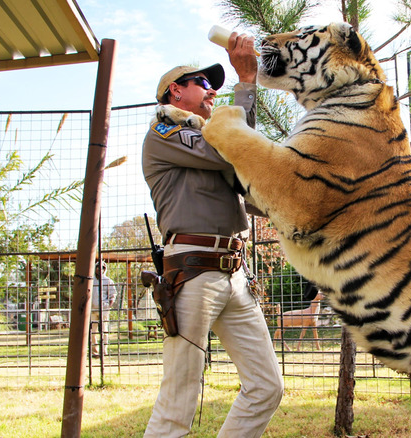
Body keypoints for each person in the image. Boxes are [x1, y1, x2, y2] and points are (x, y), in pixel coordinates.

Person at [141, 31, 283, 437]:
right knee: (178, 400)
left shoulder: (210, 140)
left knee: (267, 387)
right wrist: (245, 85)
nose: (212, 93)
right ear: (175, 91)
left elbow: (248, 159)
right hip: (192, 271)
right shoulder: (165, 133)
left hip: (235, 273)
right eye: (203, 83)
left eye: (216, 87)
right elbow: (232, 149)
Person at [91, 261, 117, 357]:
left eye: (102, 267)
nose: (99, 269)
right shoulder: (91, 280)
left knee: (104, 331)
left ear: (104, 269)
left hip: (104, 310)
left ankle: (104, 351)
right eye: (98, 267)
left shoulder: (108, 281)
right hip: (92, 310)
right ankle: (95, 351)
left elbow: (113, 294)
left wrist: (108, 305)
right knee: (92, 331)